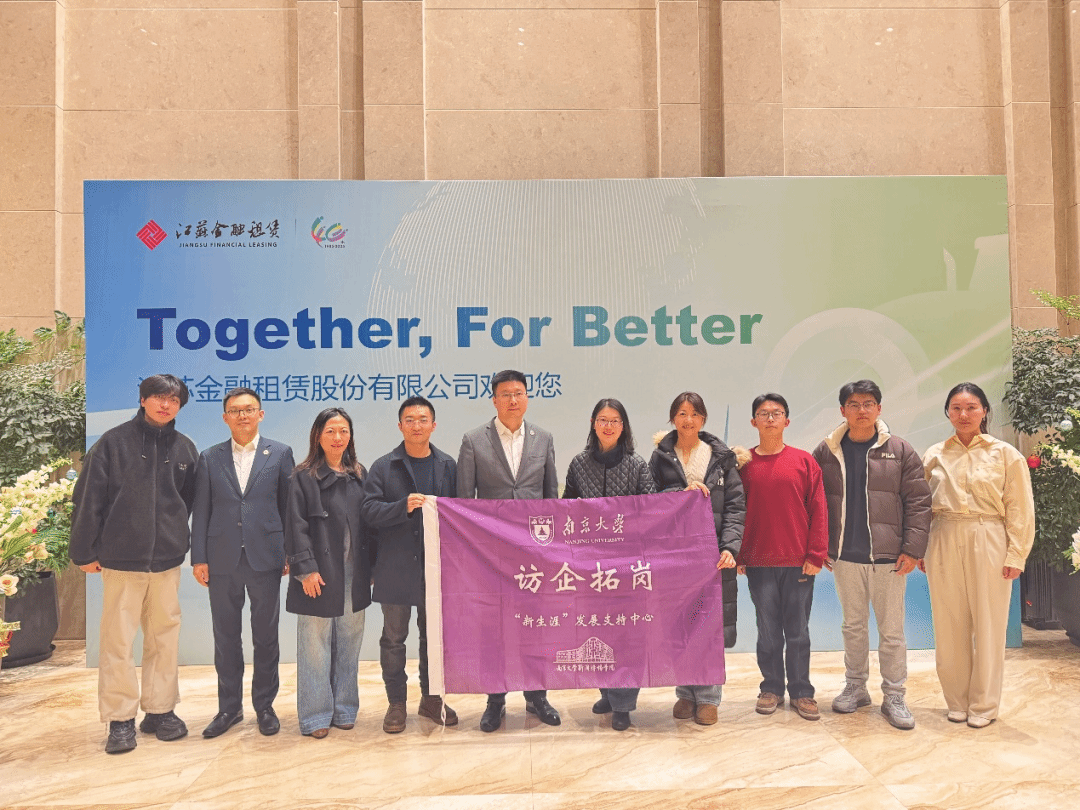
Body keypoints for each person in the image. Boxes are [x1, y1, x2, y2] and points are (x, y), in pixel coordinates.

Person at [69, 374, 198, 754]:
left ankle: (160, 710)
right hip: (121, 561)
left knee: (164, 638)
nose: (165, 405)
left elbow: (188, 502)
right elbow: (88, 498)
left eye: (173, 400)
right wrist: (84, 551)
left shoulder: (185, 448)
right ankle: (120, 718)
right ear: (143, 400)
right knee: (117, 642)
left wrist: (176, 538)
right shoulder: (112, 443)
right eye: (158, 397)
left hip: (167, 563)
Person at [813, 380, 931, 730]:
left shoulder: (900, 450)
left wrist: (912, 549)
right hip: (845, 557)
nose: (861, 410)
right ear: (843, 410)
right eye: (853, 404)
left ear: (879, 409)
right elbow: (814, 502)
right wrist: (820, 546)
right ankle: (855, 686)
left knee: (892, 631)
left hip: (889, 558)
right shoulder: (827, 451)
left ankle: (894, 694)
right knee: (852, 626)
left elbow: (919, 501)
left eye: (868, 404)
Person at [920, 382, 1035, 728]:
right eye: (956, 408)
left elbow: (1020, 508)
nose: (964, 414)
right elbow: (920, 506)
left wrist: (1016, 554)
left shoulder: (1006, 455)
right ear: (947, 413)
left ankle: (984, 705)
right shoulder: (935, 454)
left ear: (984, 411)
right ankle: (956, 701)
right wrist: (919, 547)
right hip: (943, 535)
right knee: (948, 623)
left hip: (989, 534)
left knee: (988, 623)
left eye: (971, 407)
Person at [457, 369, 561, 732]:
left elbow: (551, 498)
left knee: (535, 625)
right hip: (491, 554)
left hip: (533, 553)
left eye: (519, 393)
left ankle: (537, 696)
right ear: (494, 400)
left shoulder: (543, 438)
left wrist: (550, 551)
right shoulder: (474, 440)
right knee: (494, 628)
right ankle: (495, 700)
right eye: (505, 394)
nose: (513, 400)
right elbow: (464, 502)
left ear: (527, 397)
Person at [190, 387, 294, 738]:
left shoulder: (280, 453)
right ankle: (229, 708)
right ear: (225, 418)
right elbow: (201, 510)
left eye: (249, 409)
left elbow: (288, 508)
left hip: (266, 557)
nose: (243, 416)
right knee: (226, 638)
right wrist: (199, 557)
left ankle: (264, 706)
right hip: (222, 559)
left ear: (260, 414)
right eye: (235, 411)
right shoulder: (210, 457)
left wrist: (289, 552)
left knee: (266, 637)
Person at [362, 396, 459, 734]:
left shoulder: (448, 465)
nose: (417, 425)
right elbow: (368, 511)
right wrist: (400, 507)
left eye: (423, 419)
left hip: (437, 568)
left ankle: (431, 699)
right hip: (395, 566)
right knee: (394, 639)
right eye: (410, 420)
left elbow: (460, 513)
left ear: (434, 425)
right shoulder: (383, 466)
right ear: (400, 425)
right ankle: (396, 703)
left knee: (434, 639)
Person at [649, 391, 745, 726]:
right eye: (681, 413)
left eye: (694, 414)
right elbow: (648, 500)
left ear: (703, 419)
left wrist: (730, 547)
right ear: (672, 418)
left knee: (709, 627)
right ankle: (685, 693)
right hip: (674, 555)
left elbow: (735, 506)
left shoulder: (721, 457)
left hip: (712, 556)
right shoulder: (660, 457)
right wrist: (679, 494)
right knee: (679, 625)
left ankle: (707, 697)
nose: (688, 420)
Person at [562, 398, 657, 731]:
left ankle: (623, 704)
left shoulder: (637, 464)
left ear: (623, 426)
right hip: (590, 566)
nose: (608, 426)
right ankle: (608, 691)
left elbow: (650, 508)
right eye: (603, 420)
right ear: (593, 423)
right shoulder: (579, 463)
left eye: (615, 421)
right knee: (597, 628)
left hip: (627, 565)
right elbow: (566, 507)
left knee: (627, 632)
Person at [737, 393, 828, 721]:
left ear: (787, 421)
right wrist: (739, 554)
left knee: (798, 631)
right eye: (763, 413)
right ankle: (771, 687)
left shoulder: (804, 462)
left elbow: (819, 509)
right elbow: (736, 511)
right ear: (754, 422)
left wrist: (816, 554)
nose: (770, 418)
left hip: (798, 561)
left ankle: (802, 691)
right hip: (759, 562)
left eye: (776, 413)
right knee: (768, 630)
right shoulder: (743, 465)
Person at [285, 407, 371, 738]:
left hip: (353, 573)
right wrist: (305, 569)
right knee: (314, 645)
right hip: (318, 573)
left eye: (343, 431)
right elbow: (295, 526)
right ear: (318, 436)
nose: (338, 437)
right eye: (330, 431)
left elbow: (370, 524)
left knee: (349, 643)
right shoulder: (303, 477)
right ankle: (315, 715)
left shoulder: (359, 474)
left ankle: (345, 708)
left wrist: (372, 567)